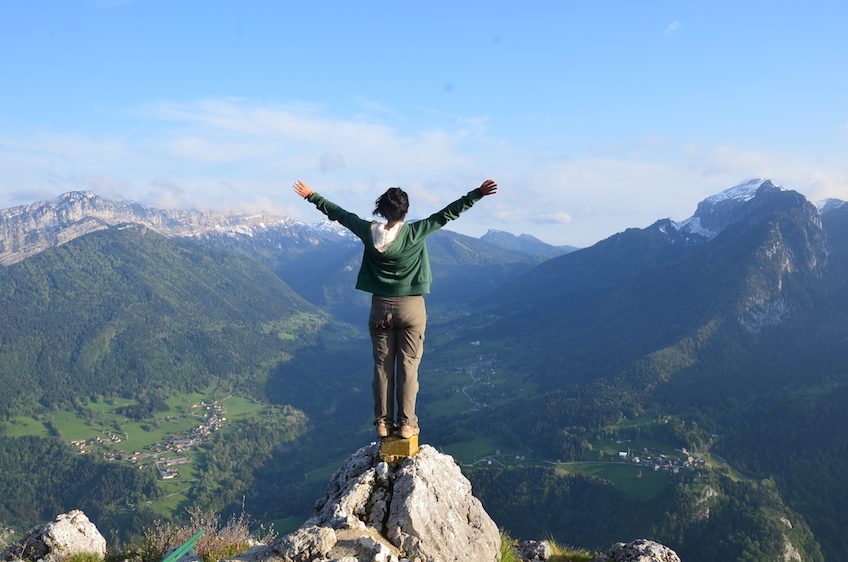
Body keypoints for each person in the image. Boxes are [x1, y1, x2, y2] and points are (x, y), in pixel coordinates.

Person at [293, 178, 498, 439]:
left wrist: (312, 196)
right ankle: (407, 424)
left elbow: (341, 215)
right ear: (406, 211)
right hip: (412, 308)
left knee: (382, 367)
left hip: (380, 308)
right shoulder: (415, 232)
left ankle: (382, 422)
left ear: (382, 211)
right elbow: (447, 213)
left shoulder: (368, 232)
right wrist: (477, 193)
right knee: (408, 368)